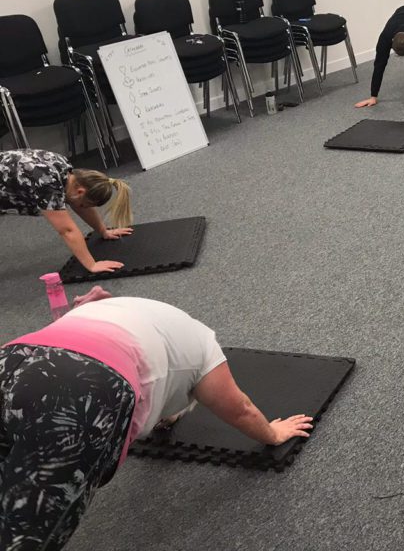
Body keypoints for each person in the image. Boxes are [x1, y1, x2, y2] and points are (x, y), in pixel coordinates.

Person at [0, 290, 313, 550]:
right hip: (86, 384)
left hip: (14, 356)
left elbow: (87, 310)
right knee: (29, 530)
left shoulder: (133, 312)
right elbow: (239, 408)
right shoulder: (205, 347)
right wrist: (271, 433)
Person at [0, 149, 133, 273]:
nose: (83, 208)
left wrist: (103, 231)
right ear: (80, 191)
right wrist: (92, 265)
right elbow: (67, 230)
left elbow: (80, 205)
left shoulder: (65, 169)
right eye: (83, 205)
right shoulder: (48, 185)